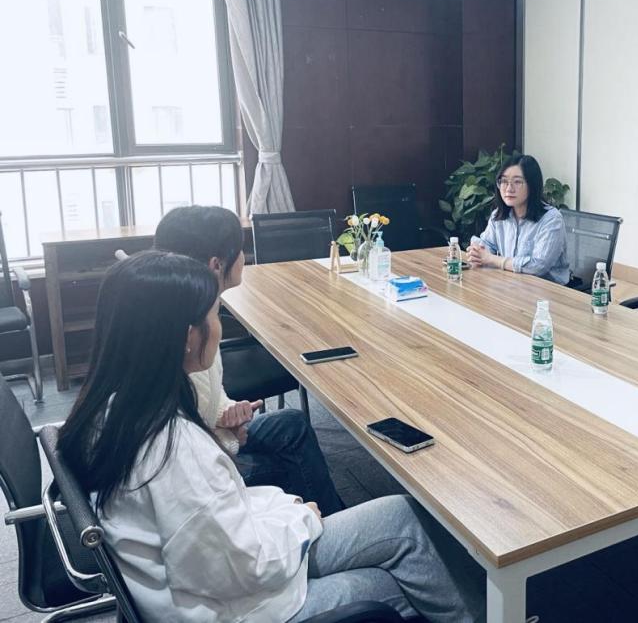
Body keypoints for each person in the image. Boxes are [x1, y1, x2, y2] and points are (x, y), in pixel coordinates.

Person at [58, 251, 485, 622]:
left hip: (232, 570)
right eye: (215, 315)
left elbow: (215, 532)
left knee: (401, 516)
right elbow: (241, 569)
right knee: (398, 579)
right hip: (244, 606)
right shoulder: (171, 449)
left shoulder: (114, 409)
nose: (218, 326)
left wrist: (287, 509)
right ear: (188, 337)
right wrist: (302, 519)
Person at [154, 205, 343, 515]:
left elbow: (203, 401)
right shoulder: (191, 335)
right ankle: (330, 522)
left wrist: (227, 413)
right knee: (293, 456)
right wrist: (231, 436)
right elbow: (192, 444)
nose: (245, 257)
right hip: (207, 472)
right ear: (217, 264)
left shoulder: (174, 310)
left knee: (291, 423)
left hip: (208, 437)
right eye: (240, 250)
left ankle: (333, 512)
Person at [467, 154, 570, 285]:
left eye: (517, 182)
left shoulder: (551, 219)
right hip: (511, 284)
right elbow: (487, 244)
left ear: (532, 185)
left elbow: (538, 266)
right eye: (504, 181)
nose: (509, 189)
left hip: (547, 290)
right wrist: (478, 252)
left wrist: (492, 259)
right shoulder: (499, 215)